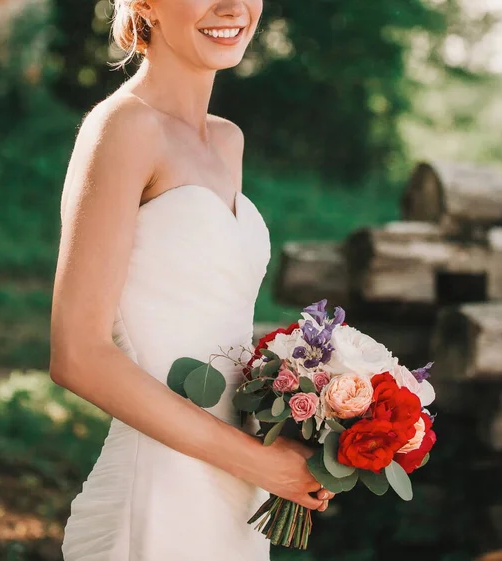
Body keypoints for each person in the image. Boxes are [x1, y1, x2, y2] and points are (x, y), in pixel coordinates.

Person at [49, 0, 334, 559]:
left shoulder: (228, 141)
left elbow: (210, 314)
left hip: (237, 490)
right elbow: (77, 354)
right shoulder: (123, 127)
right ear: (146, 5)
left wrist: (320, 397)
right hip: (160, 486)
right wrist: (260, 462)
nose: (232, 8)